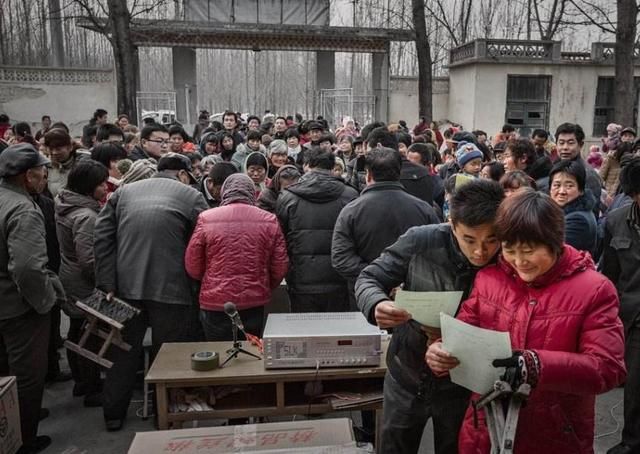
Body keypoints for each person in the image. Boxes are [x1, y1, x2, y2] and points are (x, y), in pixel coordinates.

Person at [426, 189, 625, 454]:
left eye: (529, 251)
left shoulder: (594, 290)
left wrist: (535, 365)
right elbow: (464, 332)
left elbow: (607, 368)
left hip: (556, 432)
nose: (519, 261)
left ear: (554, 242)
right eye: (509, 250)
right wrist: (442, 351)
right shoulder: (489, 278)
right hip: (487, 427)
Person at [355, 179, 504, 454]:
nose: (480, 251)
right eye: (469, 240)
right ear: (452, 224)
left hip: (466, 383)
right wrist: (375, 304)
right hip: (407, 371)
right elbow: (369, 277)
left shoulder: (508, 257)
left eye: (491, 240)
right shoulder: (421, 240)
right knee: (396, 446)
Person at [94, 153, 209, 431]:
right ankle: (164, 414)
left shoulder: (123, 192)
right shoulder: (191, 196)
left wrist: (107, 282)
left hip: (124, 287)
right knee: (167, 354)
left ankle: (113, 413)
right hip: (172, 288)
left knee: (123, 351)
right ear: (182, 174)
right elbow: (203, 243)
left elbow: (102, 236)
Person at [0, 143, 64, 454]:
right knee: (27, 373)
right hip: (19, 306)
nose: (44, 180)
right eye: (41, 174)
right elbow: (27, 268)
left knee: (5, 371)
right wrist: (45, 302)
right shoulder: (23, 209)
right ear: (27, 176)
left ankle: (11, 425)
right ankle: (23, 438)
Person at [332, 147, 439, 310]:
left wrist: (376, 277)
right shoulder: (424, 209)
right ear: (399, 173)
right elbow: (437, 254)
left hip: (367, 302)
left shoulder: (351, 211)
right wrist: (403, 281)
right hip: (414, 300)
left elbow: (341, 258)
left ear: (368, 175)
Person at [185, 173, 289, 340]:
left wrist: (209, 279)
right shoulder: (269, 220)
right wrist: (266, 285)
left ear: (225, 191)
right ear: (252, 193)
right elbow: (280, 265)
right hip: (254, 299)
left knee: (217, 350)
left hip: (215, 300)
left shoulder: (206, 218)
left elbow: (193, 265)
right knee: (250, 350)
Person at [276, 147, 358, 313]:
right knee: (339, 332)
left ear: (306, 165)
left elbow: (281, 238)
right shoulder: (350, 195)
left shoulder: (288, 197)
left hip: (302, 277)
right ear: (331, 166)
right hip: (339, 277)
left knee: (305, 332)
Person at [55, 160, 109, 407]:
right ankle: (91, 387)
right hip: (83, 282)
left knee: (77, 330)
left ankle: (79, 381)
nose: (105, 188)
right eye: (100, 184)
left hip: (68, 273)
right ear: (88, 187)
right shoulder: (86, 216)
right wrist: (104, 284)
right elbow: (89, 260)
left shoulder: (65, 204)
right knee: (90, 335)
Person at [601, 158, 640, 454]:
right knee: (635, 387)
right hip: (634, 319)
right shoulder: (615, 222)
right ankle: (632, 442)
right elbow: (610, 275)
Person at [549, 159, 597, 256]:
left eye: (569, 186)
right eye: (556, 185)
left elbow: (554, 253)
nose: (561, 191)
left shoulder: (578, 220)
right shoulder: (557, 212)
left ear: (581, 190)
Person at [44, 128, 89, 197]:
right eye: (51, 149)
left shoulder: (83, 166)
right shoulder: (47, 168)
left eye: (58, 149)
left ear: (70, 147)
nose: (54, 152)